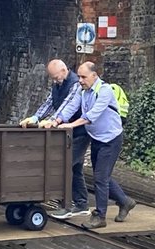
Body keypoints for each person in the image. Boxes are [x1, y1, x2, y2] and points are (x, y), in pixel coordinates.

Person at [56, 62, 135, 228]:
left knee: (100, 178)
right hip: (96, 138)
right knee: (102, 176)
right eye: (78, 76)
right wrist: (56, 120)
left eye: (84, 77)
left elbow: (91, 115)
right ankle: (124, 201)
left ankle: (100, 217)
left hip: (111, 139)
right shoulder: (81, 89)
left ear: (95, 75)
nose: (80, 80)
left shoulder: (104, 91)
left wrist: (70, 125)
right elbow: (71, 106)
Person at [21, 59, 89, 218]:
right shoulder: (58, 84)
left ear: (64, 71)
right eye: (52, 78)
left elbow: (68, 105)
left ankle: (65, 205)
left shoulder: (74, 84)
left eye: (56, 77)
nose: (54, 81)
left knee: (64, 166)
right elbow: (50, 102)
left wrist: (53, 121)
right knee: (75, 167)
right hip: (66, 132)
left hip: (79, 132)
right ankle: (82, 204)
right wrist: (35, 118)